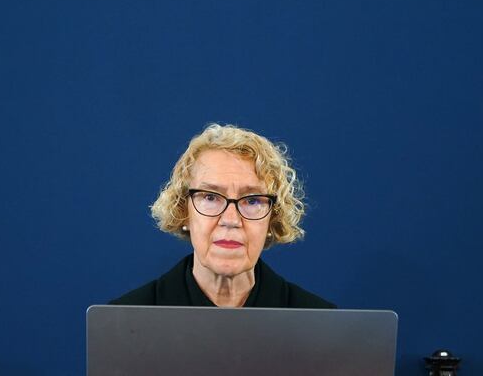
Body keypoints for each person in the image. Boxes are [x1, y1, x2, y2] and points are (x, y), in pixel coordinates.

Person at [111, 123, 334, 308]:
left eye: (252, 200)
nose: (231, 220)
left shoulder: (321, 324)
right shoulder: (122, 322)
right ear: (183, 211)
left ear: (272, 219)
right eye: (210, 197)